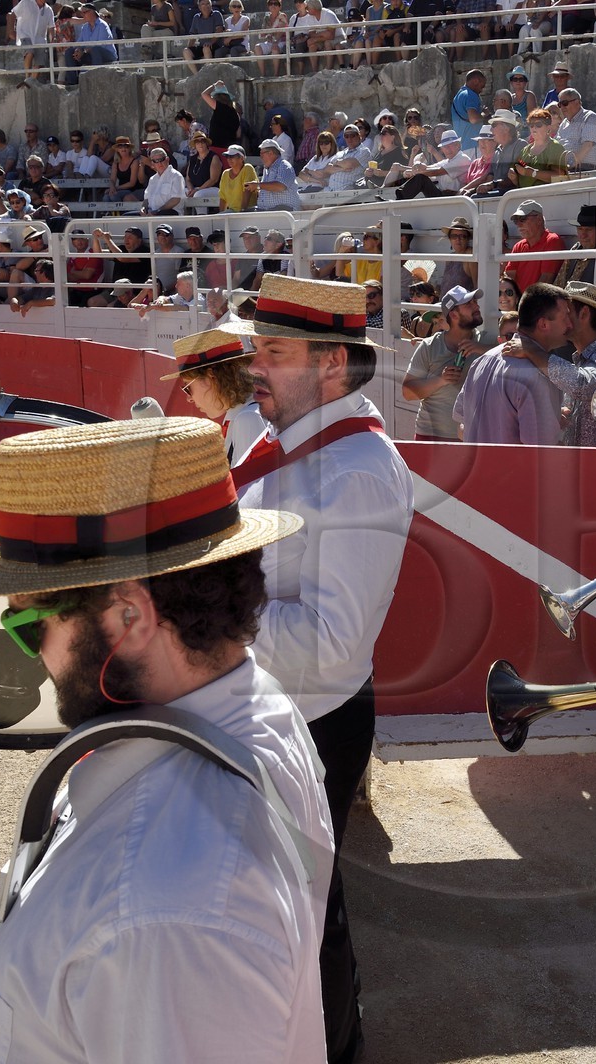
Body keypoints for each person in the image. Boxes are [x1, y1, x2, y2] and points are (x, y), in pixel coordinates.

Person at [0, 417, 331, 1064]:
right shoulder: (253, 703)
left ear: (130, 615)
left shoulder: (165, 908)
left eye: (32, 627)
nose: (36, 659)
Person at [228, 275, 414, 1064]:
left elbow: (335, 642)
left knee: (311, 910)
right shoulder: (291, 437)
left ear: (331, 363)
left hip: (314, 728)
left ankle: (341, 1049)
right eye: (254, 349)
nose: (253, 367)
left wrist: (204, 612)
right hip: (279, 712)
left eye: (272, 351)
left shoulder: (356, 470)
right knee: (284, 905)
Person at [453, 282, 569, 444]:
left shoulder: (482, 361)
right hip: (513, 469)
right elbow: (541, 451)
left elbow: (462, 428)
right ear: (543, 324)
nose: (570, 325)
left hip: (478, 467)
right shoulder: (538, 374)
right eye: (565, 318)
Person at [540, 281, 596, 448]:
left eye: (565, 313)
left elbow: (583, 385)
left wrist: (535, 354)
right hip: (580, 465)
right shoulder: (587, 360)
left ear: (584, 314)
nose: (559, 320)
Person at [402, 285, 493, 441]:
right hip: (431, 437)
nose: (476, 306)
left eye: (475, 302)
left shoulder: (487, 341)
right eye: (469, 304)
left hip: (472, 438)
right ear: (454, 314)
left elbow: (513, 354)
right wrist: (441, 380)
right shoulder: (429, 346)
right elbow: (408, 393)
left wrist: (483, 349)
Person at [167, 325, 269, 463]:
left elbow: (251, 483)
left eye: (188, 388)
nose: (188, 398)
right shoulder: (241, 414)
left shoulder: (247, 419)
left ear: (211, 377)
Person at [505, 199, 562, 293]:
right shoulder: (518, 246)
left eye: (522, 219)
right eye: (516, 221)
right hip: (520, 302)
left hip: (537, 303)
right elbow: (509, 278)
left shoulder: (552, 241)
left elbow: (546, 280)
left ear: (539, 219)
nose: (518, 224)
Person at [65, 4, 116, 85]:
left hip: (107, 55)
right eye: (81, 13)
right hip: (91, 54)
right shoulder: (84, 27)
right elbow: (79, 43)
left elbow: (101, 45)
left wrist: (84, 51)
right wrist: (77, 50)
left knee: (95, 50)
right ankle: (72, 84)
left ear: (92, 12)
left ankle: (96, 80)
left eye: (84, 12)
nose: (82, 15)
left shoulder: (103, 25)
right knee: (69, 52)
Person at [553, 89, 596, 171]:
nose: (562, 107)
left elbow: (587, 145)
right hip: (563, 168)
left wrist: (570, 165)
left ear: (577, 102)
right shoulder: (564, 123)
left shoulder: (589, 117)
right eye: (560, 104)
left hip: (580, 168)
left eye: (565, 103)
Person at [250, 140, 300, 212]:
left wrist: (257, 185)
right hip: (270, 212)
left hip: (284, 212)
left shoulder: (284, 166)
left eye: (262, 154)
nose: (261, 157)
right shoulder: (267, 169)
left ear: (270, 153)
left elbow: (280, 186)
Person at [451, 68, 488, 145]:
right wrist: (484, 114)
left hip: (461, 145)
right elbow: (473, 119)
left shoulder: (458, 96)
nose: (482, 90)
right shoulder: (471, 95)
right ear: (476, 81)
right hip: (472, 144)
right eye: (482, 86)